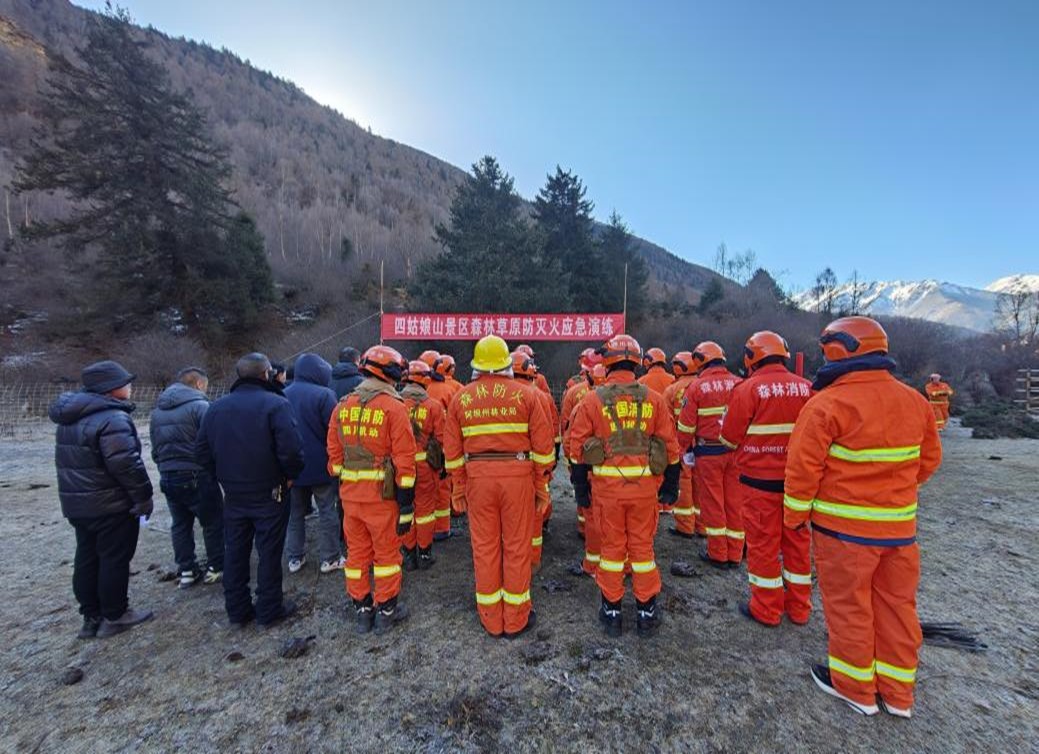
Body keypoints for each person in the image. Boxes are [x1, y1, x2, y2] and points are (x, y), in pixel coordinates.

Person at [785, 316, 942, 718]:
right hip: (899, 532)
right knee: (897, 607)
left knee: (850, 606)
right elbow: (928, 462)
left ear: (837, 349)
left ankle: (855, 687)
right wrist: (891, 494)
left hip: (844, 533)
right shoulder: (915, 401)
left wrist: (794, 516)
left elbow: (803, 470)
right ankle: (898, 693)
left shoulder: (828, 404)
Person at [569, 334, 681, 638]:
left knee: (611, 550)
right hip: (645, 492)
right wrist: (671, 484)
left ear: (607, 362)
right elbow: (671, 447)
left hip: (607, 493)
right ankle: (647, 612)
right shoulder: (654, 400)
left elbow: (577, 449)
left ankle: (612, 612)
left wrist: (580, 488)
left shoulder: (592, 400)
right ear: (637, 362)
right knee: (643, 550)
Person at [443, 335, 555, 638]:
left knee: (485, 547)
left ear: (477, 365)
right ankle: (516, 619)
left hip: (478, 479)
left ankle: (491, 619)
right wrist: (540, 486)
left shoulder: (461, 398)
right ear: (506, 363)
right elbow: (544, 450)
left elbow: (452, 452)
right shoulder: (527, 395)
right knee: (517, 546)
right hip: (518, 477)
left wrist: (459, 488)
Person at [196, 353, 304, 629]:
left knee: (235, 551)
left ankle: (237, 609)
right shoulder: (276, 405)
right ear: (266, 373)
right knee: (269, 552)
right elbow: (291, 450)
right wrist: (290, 476)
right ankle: (269, 609)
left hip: (233, 494)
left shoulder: (216, 408)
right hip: (270, 491)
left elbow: (202, 452)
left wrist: (222, 477)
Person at [50, 360, 154, 639]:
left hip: (79, 505)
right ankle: (115, 614)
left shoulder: (70, 418)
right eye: (125, 383)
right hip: (110, 504)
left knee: (87, 556)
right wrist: (143, 497)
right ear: (111, 387)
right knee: (114, 558)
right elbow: (126, 464)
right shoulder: (112, 418)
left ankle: (91, 616)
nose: (130, 387)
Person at [719, 332, 812, 627]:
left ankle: (767, 609)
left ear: (751, 357)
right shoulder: (807, 388)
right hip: (798, 485)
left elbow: (728, 438)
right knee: (798, 546)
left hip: (759, 484)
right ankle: (799, 608)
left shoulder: (747, 389)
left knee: (763, 547)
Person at [327, 346, 418, 634]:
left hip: (350, 498)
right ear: (391, 373)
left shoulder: (342, 407)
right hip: (382, 498)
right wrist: (406, 503)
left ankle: (363, 609)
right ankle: (386, 610)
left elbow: (334, 460)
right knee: (387, 555)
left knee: (356, 555)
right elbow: (405, 461)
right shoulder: (394, 408)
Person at [149, 366, 224, 589]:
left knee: (180, 525)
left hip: (168, 475)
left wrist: (164, 467)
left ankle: (187, 570)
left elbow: (155, 448)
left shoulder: (157, 412)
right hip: (197, 474)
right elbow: (213, 442)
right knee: (212, 522)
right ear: (199, 384)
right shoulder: (200, 407)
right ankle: (216, 566)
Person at [677, 342, 744, 568]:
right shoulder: (739, 383)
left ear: (700, 361)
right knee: (734, 503)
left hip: (708, 453)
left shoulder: (697, 387)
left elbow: (686, 427)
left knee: (713, 503)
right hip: (736, 452)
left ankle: (718, 553)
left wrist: (681, 450)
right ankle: (735, 553)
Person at [284, 353, 345, 575]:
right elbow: (336, 430)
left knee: (294, 514)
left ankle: (295, 557)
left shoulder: (282, 394)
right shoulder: (324, 395)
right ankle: (330, 557)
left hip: (292, 467)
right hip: (320, 465)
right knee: (327, 510)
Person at [511, 350, 559, 571]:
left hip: (509, 469)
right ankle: (532, 561)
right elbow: (549, 435)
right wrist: (548, 467)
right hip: (534, 467)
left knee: (511, 518)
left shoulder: (499, 395)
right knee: (535, 516)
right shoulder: (541, 396)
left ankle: (512, 561)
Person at [399, 360, 446, 570]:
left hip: (401, 468)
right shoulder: (433, 406)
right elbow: (442, 439)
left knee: (405, 510)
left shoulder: (395, 404)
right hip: (425, 467)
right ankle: (425, 554)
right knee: (425, 511)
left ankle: (408, 554)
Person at [662, 351, 698, 536]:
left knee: (684, 482)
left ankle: (685, 525)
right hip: (707, 444)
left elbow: (666, 422)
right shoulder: (704, 385)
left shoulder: (672, 390)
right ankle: (703, 526)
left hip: (681, 442)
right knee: (703, 484)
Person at [427, 352, 458, 541]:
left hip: (416, 452)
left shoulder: (409, 393)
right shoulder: (451, 389)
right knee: (443, 488)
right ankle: (442, 528)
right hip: (442, 447)